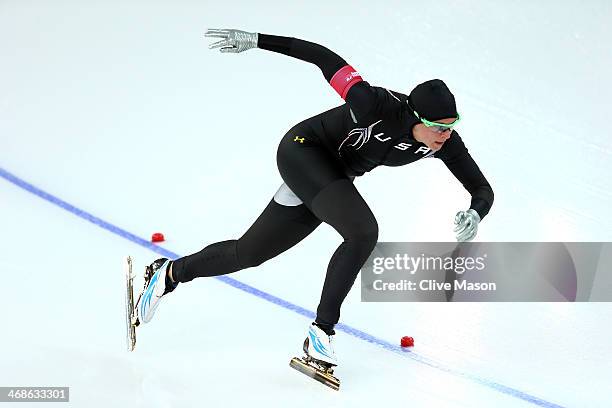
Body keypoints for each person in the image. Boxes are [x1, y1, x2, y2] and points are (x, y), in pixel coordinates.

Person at [134, 29, 494, 368]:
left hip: (331, 179)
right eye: (439, 127)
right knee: (363, 232)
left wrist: (476, 214)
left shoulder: (445, 144)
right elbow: (323, 57)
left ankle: (169, 272)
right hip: (303, 152)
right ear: (416, 116)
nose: (446, 136)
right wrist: (257, 40)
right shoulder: (374, 105)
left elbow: (482, 189)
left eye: (452, 126)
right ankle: (321, 333)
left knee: (249, 253)